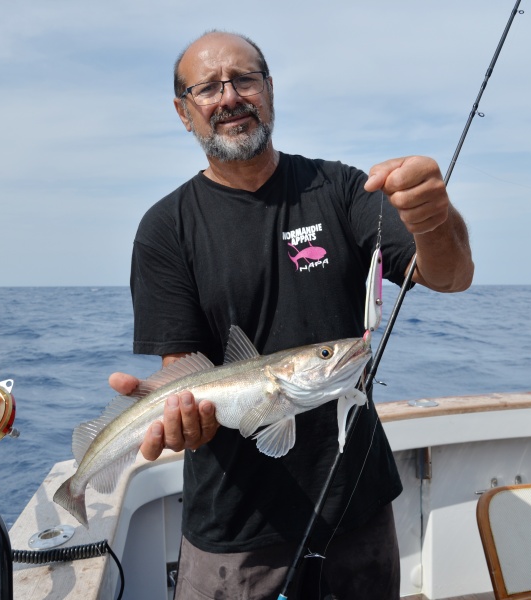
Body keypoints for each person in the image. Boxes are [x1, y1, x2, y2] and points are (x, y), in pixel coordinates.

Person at [109, 30, 474, 600]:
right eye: (207, 87)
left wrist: (432, 219)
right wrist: (176, 419)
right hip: (235, 529)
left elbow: (449, 276)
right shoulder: (165, 229)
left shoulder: (343, 188)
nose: (229, 96)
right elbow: (182, 368)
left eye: (245, 79)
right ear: (184, 113)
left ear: (270, 90)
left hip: (358, 503)